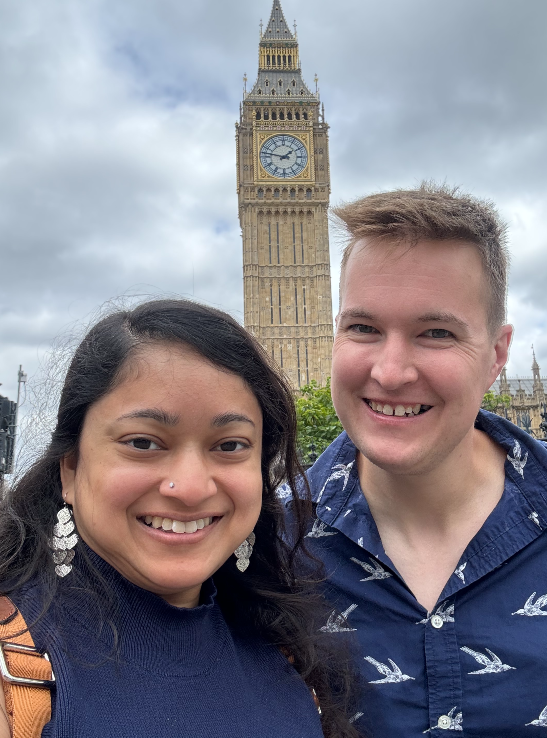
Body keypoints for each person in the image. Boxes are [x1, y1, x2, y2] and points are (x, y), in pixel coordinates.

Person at [297, 184, 547, 736]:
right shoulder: (261, 540)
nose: (391, 372)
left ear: (498, 356)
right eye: (363, 328)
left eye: (436, 333)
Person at [0, 299, 360, 738]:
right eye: (144, 443)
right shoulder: (15, 666)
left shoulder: (291, 649)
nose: (190, 488)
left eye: (229, 446)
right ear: (70, 467)